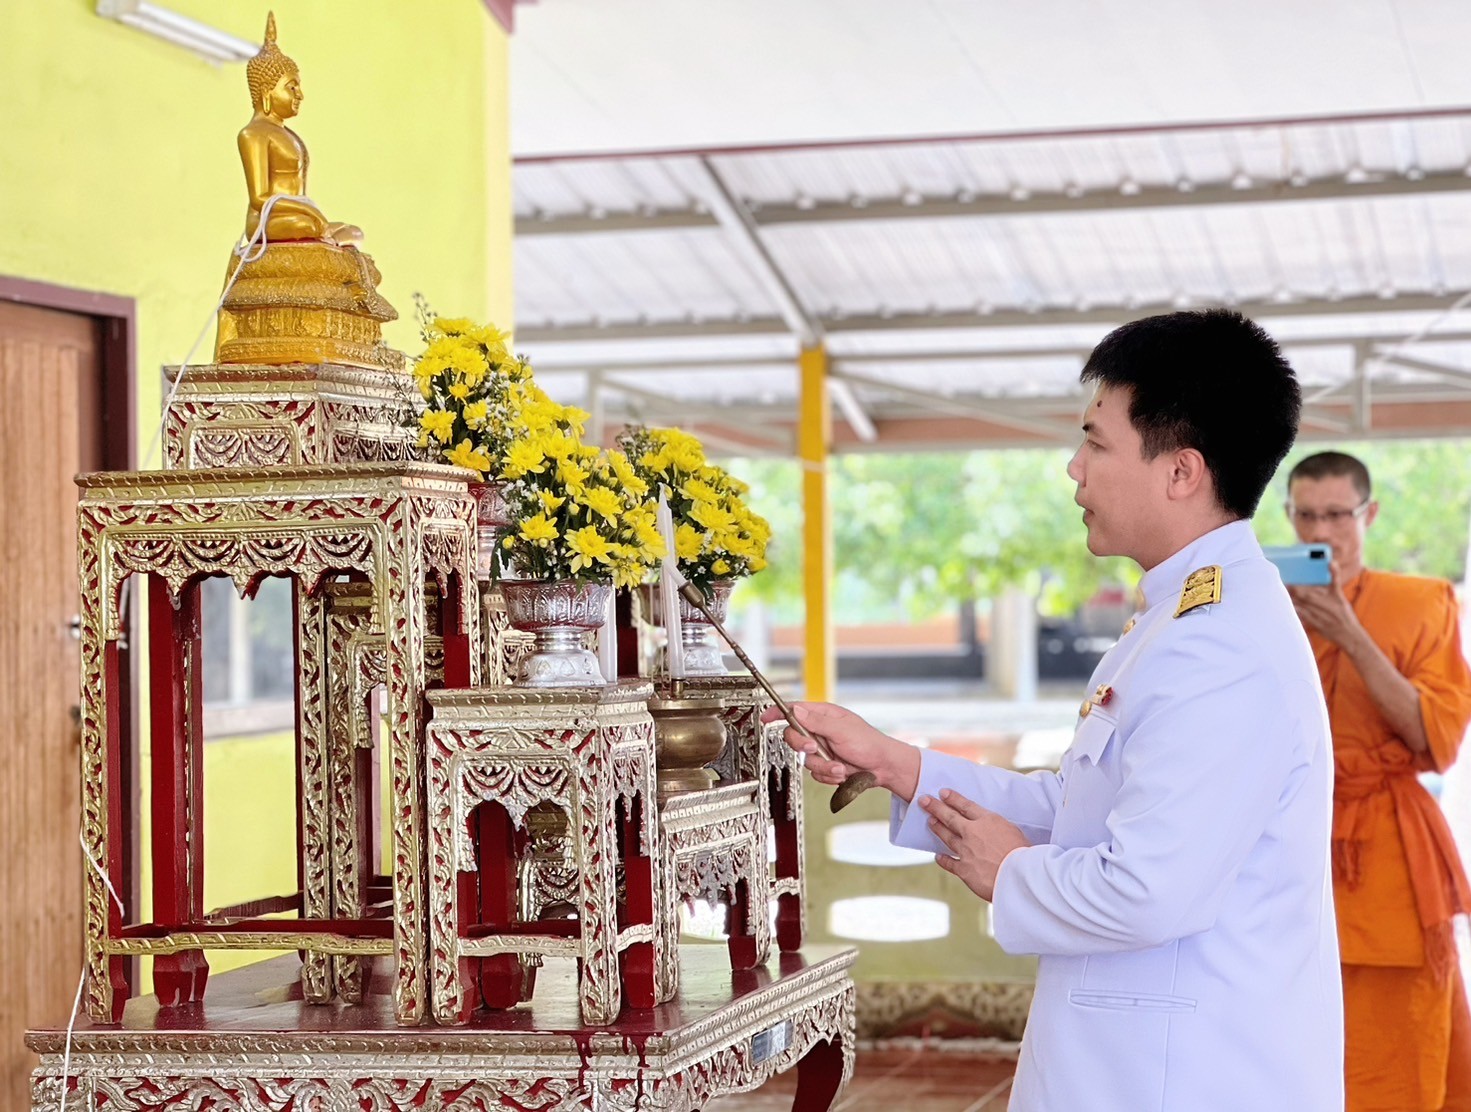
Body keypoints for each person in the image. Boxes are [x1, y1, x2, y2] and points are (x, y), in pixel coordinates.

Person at [768, 309, 1343, 1112]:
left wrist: (1008, 871)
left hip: (1180, 1078)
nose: (1074, 469)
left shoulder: (1217, 647)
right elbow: (1087, 809)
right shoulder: (1178, 618)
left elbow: (1148, 889)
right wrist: (897, 763)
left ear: (1180, 471)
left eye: (1095, 443)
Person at [1285, 450, 1471, 1112]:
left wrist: (1350, 636)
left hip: (1386, 849)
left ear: (1369, 514)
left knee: (1394, 1053)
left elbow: (1434, 738)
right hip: (1283, 844)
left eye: (1336, 515)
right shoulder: (1259, 606)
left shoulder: (1421, 603)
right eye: (1304, 515)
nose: (1320, 532)